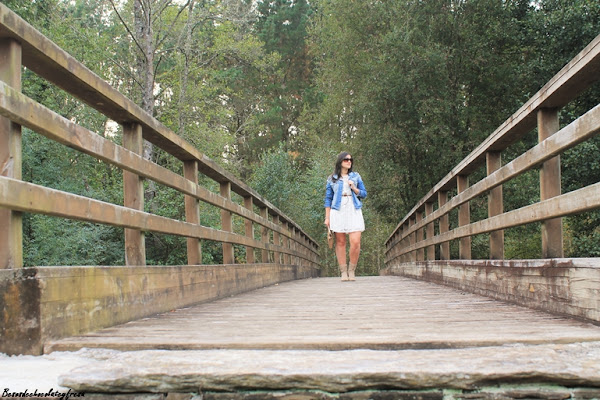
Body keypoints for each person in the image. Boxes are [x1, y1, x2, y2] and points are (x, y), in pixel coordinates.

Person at [324, 152, 367, 281]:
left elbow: (364, 194)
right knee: (341, 242)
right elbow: (328, 199)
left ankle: (352, 270)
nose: (349, 161)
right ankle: (343, 271)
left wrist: (354, 188)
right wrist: (327, 218)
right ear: (340, 162)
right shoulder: (332, 179)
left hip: (353, 209)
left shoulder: (356, 176)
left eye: (350, 159)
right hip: (338, 210)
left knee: (355, 241)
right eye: (346, 159)